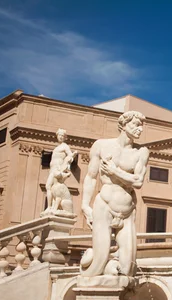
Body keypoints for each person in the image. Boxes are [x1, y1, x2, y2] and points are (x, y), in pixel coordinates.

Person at [80, 111, 149, 277]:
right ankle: (87, 287)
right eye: (135, 125)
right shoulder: (101, 146)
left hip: (127, 211)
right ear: (124, 125)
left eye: (141, 126)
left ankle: (118, 287)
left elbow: (138, 182)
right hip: (104, 204)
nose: (140, 129)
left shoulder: (142, 152)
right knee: (99, 260)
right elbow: (90, 177)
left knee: (128, 267)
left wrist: (114, 171)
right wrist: (84, 205)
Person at [44, 129, 77, 215]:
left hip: (57, 169)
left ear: (65, 137)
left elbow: (70, 155)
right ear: (57, 136)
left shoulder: (65, 146)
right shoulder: (56, 148)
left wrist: (68, 161)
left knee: (50, 186)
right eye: (60, 135)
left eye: (63, 136)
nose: (61, 137)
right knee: (49, 187)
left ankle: (50, 207)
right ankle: (50, 207)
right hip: (53, 169)